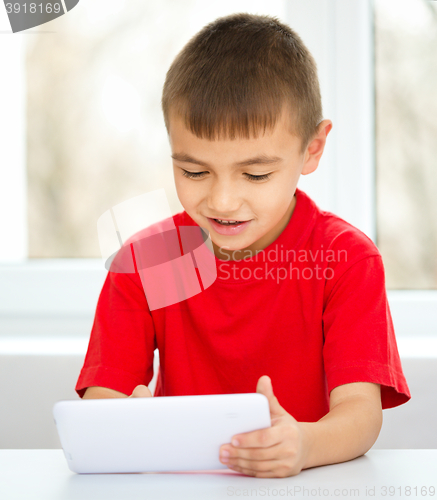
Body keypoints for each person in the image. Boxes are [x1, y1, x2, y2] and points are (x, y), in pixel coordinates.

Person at [75, 13, 411, 478]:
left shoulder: (346, 260)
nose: (223, 201)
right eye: (194, 172)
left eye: (255, 174)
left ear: (312, 150)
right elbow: (102, 405)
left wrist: (304, 444)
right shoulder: (146, 262)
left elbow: (360, 413)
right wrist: (122, 423)